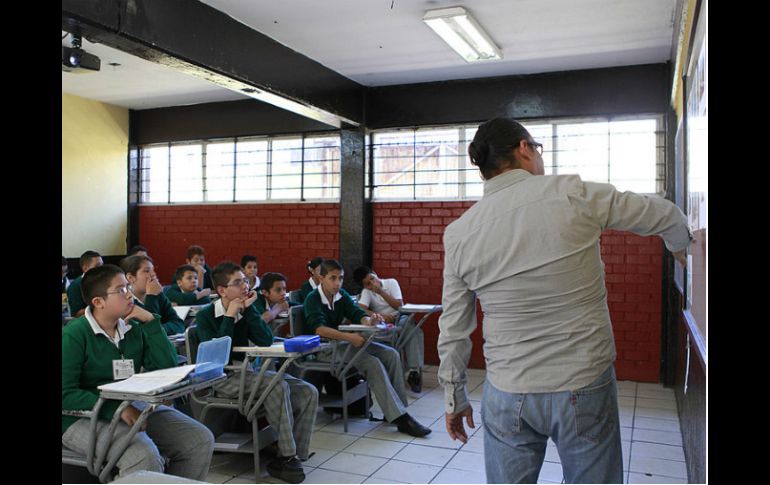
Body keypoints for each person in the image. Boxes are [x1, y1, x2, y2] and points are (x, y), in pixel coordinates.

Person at [437, 117, 692, 484]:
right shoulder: (573, 194)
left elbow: (454, 329)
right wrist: (680, 248)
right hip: (582, 383)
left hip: (507, 389)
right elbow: (664, 215)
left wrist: (454, 398)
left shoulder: (459, 233)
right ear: (524, 148)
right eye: (537, 149)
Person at [62, 264, 214, 480]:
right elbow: (65, 394)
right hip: (79, 416)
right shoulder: (75, 335)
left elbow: (168, 368)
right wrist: (116, 408)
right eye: (121, 290)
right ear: (98, 302)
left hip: (129, 404)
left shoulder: (133, 326)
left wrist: (151, 322)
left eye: (128, 287)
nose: (129, 294)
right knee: (143, 455)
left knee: (198, 440)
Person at [195, 261, 318, 483]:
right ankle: (288, 456)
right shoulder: (206, 316)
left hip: (247, 373)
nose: (245, 285)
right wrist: (229, 316)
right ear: (222, 290)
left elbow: (265, 339)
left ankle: (293, 455)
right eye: (238, 282)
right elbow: (219, 355)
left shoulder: (246, 310)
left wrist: (250, 310)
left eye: (245, 281)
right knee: (277, 386)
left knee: (308, 392)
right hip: (221, 377)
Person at [303, 259, 431, 437]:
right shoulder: (313, 298)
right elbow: (319, 329)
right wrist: (350, 337)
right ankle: (401, 419)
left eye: (340, 278)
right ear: (321, 278)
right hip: (324, 348)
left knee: (391, 354)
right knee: (372, 363)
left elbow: (357, 313)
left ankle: (397, 411)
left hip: (343, 344)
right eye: (333, 278)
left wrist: (370, 320)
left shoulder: (342, 295)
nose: (337, 283)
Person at [353, 266, 425, 393]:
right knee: (413, 332)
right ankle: (407, 372)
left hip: (399, 317)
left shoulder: (391, 283)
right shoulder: (367, 292)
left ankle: (414, 372)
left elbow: (399, 306)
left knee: (412, 328)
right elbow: (360, 309)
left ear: (375, 274)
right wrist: (380, 316)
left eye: (372, 279)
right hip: (383, 323)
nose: (372, 284)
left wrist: (381, 292)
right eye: (368, 284)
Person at [121, 255, 185, 336]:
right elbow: (146, 333)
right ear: (130, 278)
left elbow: (179, 325)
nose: (153, 274)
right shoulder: (126, 302)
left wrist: (160, 329)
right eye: (147, 271)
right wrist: (151, 297)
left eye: (153, 270)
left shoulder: (158, 295)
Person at [67, 250, 104, 317]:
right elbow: (77, 313)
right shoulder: (75, 286)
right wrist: (101, 306)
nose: (101, 269)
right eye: (97, 266)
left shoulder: (104, 281)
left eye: (102, 266)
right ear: (85, 269)